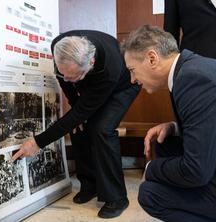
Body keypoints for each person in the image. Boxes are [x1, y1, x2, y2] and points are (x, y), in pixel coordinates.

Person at [121, 25, 216, 221]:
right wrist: (174, 126)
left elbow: (196, 172)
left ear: (152, 58)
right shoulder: (192, 68)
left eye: (132, 70)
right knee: (166, 143)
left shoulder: (193, 79)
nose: (133, 79)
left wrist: (151, 168)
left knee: (152, 194)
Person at [12, 30, 141, 218]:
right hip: (91, 82)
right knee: (77, 127)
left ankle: (117, 197)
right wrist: (75, 106)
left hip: (123, 86)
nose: (67, 80)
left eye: (74, 76)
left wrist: (38, 142)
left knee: (101, 129)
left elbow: (82, 111)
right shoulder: (59, 47)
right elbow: (67, 84)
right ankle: (90, 185)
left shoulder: (109, 67)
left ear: (91, 63)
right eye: (64, 73)